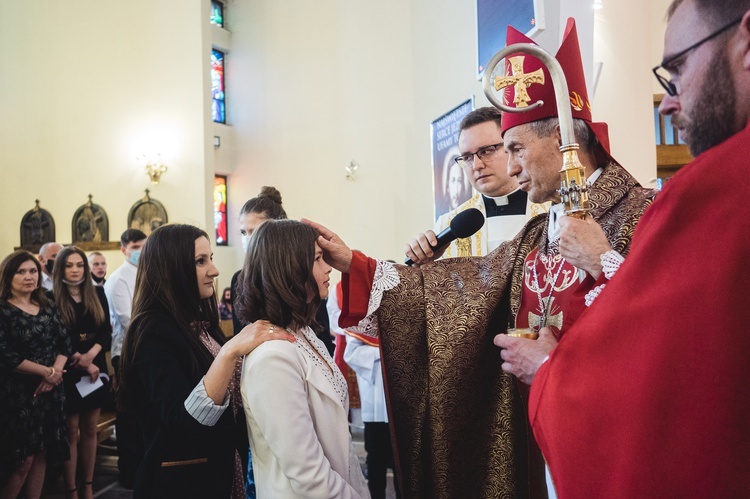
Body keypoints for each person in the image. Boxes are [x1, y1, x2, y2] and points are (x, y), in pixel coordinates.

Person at [312, 19, 656, 498]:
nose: (510, 167)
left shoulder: (646, 212)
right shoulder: (542, 230)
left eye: (514, 148)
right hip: (541, 442)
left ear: (561, 138)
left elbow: (672, 327)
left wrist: (603, 263)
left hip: (616, 448)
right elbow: (458, 291)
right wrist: (357, 265)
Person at [526, 1, 750, 496]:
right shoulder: (532, 233)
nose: (666, 103)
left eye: (678, 69)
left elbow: (662, 380)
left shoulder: (702, 195)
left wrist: (548, 375)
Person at [118, 224, 293, 498]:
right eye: (201, 261)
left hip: (218, 469)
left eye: (210, 258)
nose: (214, 270)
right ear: (171, 268)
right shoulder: (152, 330)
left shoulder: (197, 323)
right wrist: (229, 352)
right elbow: (183, 426)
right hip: (181, 482)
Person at [237, 220, 370, 498]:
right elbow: (308, 474)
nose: (328, 267)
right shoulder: (272, 357)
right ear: (290, 270)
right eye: (318, 259)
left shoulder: (303, 331)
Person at [420, 107, 547, 260]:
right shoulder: (448, 226)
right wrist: (421, 264)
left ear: (511, 146)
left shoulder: (551, 210)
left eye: (486, 151)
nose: (476, 165)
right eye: (467, 157)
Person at [0, 251, 70, 499]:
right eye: (21, 272)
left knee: (42, 453)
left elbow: (64, 343)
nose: (29, 277)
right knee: (22, 461)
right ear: (8, 276)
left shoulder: (47, 305)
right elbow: (6, 355)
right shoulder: (3, 310)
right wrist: (47, 373)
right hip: (19, 394)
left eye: (32, 271)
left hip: (50, 391)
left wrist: (54, 375)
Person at [231, 186, 334, 354]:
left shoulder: (307, 276)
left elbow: (321, 335)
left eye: (255, 231)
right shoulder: (240, 279)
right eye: (243, 232)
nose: (249, 239)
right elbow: (242, 336)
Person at [53, 246, 112, 499]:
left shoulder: (97, 292)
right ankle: (71, 489)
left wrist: (91, 356)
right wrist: (84, 360)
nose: (75, 270)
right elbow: (59, 337)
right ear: (60, 268)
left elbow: (106, 331)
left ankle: (87, 485)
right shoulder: (51, 296)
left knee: (90, 428)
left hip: (95, 368)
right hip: (68, 367)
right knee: (71, 430)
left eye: (79, 265)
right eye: (69, 265)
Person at [103, 228, 147, 487]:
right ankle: (128, 470)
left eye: (144, 246)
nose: (140, 252)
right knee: (128, 412)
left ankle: (142, 466)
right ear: (124, 250)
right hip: (127, 350)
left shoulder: (145, 273)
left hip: (145, 348)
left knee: (142, 409)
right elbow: (127, 319)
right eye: (136, 247)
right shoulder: (119, 279)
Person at [344, 330, 397, 499]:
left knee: (401, 459)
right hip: (375, 404)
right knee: (376, 457)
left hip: (400, 403)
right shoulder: (362, 320)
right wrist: (381, 351)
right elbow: (351, 353)